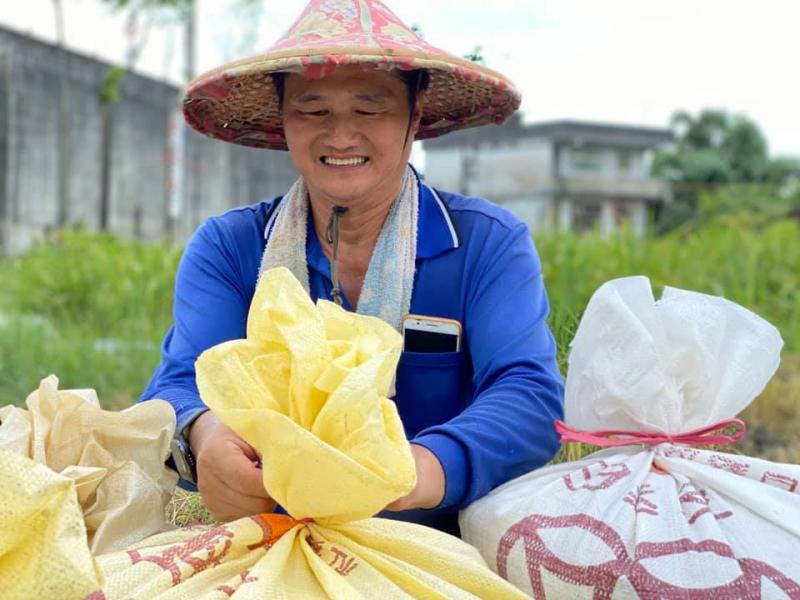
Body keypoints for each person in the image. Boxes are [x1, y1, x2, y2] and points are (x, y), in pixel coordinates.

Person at [142, 0, 564, 537]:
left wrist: (417, 471)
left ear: (416, 115)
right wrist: (206, 436)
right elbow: (178, 381)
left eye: (370, 110)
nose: (340, 137)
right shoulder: (230, 248)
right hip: (272, 534)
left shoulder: (487, 245)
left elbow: (529, 391)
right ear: (283, 118)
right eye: (314, 111)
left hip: (443, 540)